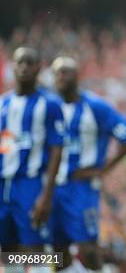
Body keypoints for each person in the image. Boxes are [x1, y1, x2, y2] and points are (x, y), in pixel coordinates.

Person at [49, 56, 126, 273]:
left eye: (66, 72)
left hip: (82, 187)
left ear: (77, 76)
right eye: (57, 73)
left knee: (88, 249)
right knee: (58, 251)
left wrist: (104, 169)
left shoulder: (95, 107)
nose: (61, 77)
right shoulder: (49, 107)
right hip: (53, 186)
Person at [0, 47, 64, 273]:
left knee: (34, 249)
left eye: (30, 63)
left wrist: (46, 195)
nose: (24, 67)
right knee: (6, 249)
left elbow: (57, 148)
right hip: (4, 184)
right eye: (20, 62)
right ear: (13, 67)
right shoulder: (3, 104)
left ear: (38, 68)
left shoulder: (50, 104)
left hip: (31, 183)